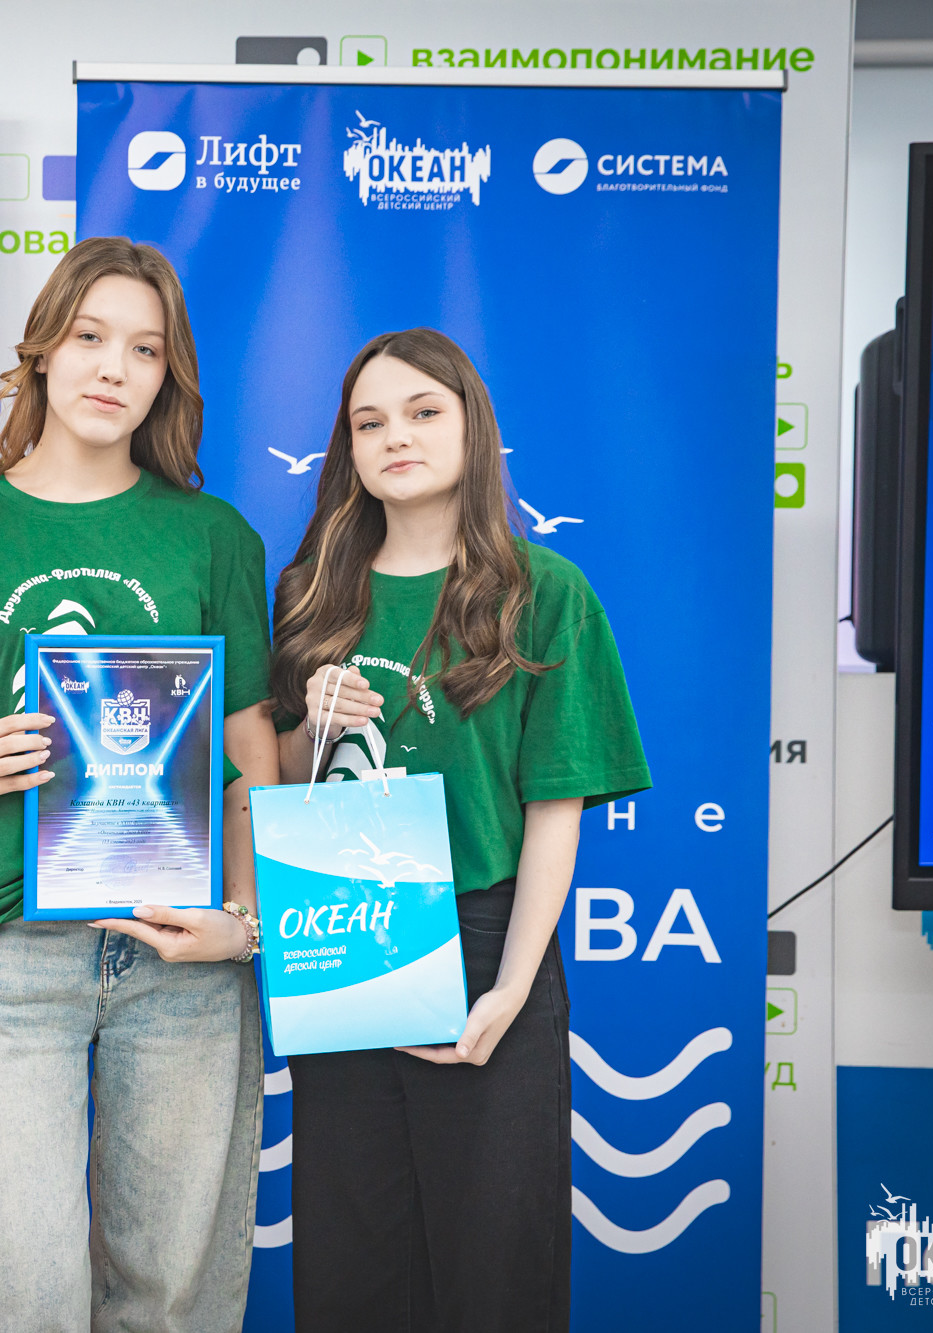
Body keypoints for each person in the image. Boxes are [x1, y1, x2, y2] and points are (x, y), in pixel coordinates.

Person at [0, 237, 278, 1332]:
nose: (114, 367)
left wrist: (242, 921)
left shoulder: (213, 536)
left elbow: (249, 743)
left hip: (181, 953)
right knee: (11, 1293)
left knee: (171, 1293)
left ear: (167, 377)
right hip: (3, 943)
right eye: (90, 336)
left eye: (144, 349)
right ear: (43, 352)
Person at [270, 329, 651, 1330]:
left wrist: (513, 989)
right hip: (344, 933)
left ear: (472, 427)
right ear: (348, 450)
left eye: (422, 411)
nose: (395, 436)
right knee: (351, 1265)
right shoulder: (312, 592)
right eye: (369, 422)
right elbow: (282, 787)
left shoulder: (544, 591)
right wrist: (312, 723)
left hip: (487, 938)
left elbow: (554, 810)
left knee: (493, 1269)